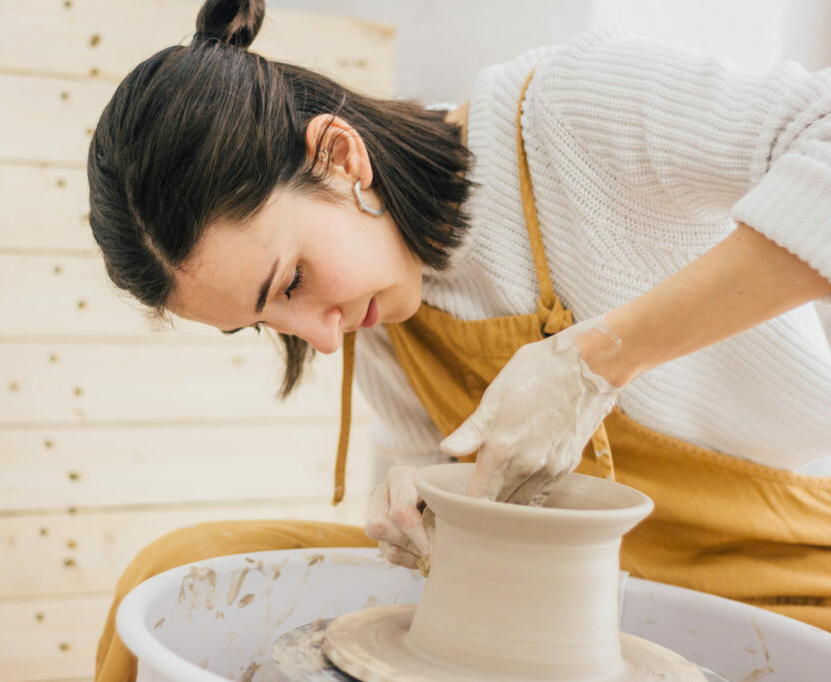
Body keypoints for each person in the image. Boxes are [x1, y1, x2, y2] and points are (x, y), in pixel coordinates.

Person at [86, 0, 831, 678]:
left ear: (341, 159)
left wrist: (598, 359)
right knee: (174, 567)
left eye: (289, 284)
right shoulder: (380, 312)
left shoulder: (567, 112)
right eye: (264, 322)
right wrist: (423, 503)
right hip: (555, 596)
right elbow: (452, 515)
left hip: (786, 584)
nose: (318, 338)